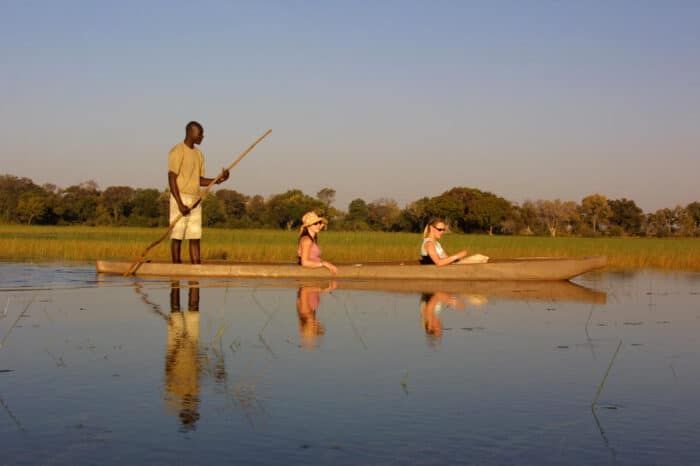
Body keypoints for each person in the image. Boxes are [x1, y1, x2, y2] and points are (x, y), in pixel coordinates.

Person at [168, 121, 229, 264]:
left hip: (195, 200)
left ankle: (195, 271)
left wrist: (218, 179)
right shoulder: (177, 151)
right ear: (191, 133)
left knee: (195, 237)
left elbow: (199, 180)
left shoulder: (199, 155)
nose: (202, 137)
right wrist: (180, 203)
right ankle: (176, 271)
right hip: (180, 197)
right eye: (200, 134)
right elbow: (171, 178)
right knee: (177, 237)